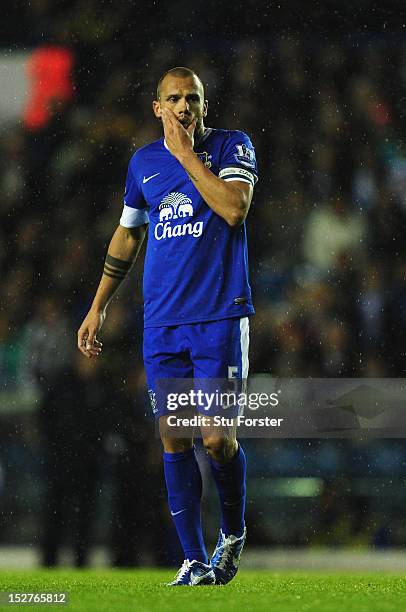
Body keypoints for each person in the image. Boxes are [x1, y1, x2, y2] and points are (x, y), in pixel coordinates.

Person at [77, 66, 258, 586]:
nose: (184, 107)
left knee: (218, 440)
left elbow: (233, 208)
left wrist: (185, 157)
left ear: (204, 104)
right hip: (163, 323)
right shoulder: (142, 164)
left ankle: (234, 533)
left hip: (219, 315)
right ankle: (194, 560)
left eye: (193, 99)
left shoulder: (230, 147)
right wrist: (98, 306)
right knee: (174, 438)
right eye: (174, 99)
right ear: (157, 107)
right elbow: (128, 236)